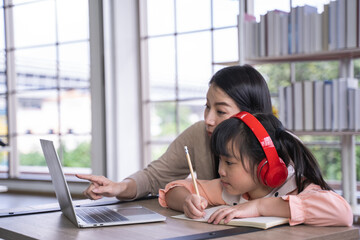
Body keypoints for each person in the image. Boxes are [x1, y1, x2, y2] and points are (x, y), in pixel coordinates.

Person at [76, 65, 273, 201]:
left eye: (220, 111)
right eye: (207, 106)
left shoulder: (280, 146)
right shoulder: (200, 133)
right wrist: (120, 187)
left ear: (251, 115)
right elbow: (155, 177)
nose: (208, 119)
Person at [158, 112, 353, 226]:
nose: (221, 170)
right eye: (220, 161)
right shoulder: (229, 189)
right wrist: (187, 201)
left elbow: (342, 213)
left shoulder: (296, 187)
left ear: (265, 166)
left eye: (229, 163)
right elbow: (173, 190)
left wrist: (258, 207)